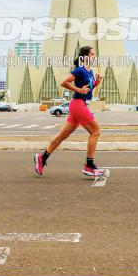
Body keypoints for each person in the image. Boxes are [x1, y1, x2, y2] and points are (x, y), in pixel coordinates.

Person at [35, 46, 105, 178]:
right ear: (84, 57)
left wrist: (97, 82)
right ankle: (89, 166)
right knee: (96, 131)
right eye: (92, 54)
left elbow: (87, 89)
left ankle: (42, 158)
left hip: (79, 106)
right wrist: (78, 90)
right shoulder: (79, 70)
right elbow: (64, 82)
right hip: (78, 105)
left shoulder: (89, 72)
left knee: (63, 136)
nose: (94, 57)